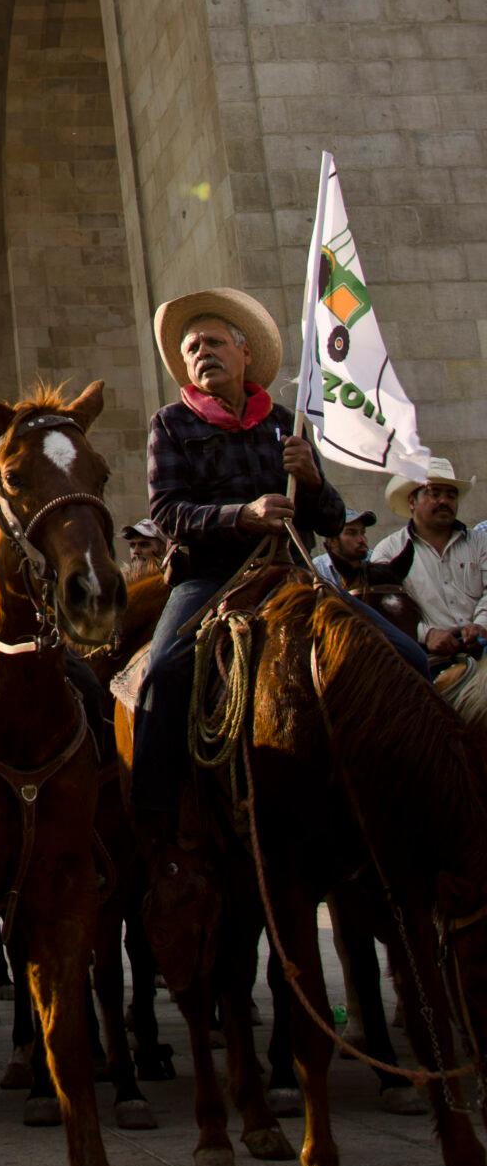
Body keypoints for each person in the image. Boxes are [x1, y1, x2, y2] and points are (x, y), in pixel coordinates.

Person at [131, 291, 421, 833]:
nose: (201, 353)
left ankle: (415, 800)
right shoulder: (171, 423)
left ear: (244, 354)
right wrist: (243, 515)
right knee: (164, 674)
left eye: (214, 342)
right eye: (192, 348)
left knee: (407, 657)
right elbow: (167, 512)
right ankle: (156, 823)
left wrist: (310, 478)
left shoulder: (286, 424)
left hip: (292, 574)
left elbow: (333, 521)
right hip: (212, 580)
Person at [372, 458, 487, 719]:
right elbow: (384, 612)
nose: (444, 501)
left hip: (481, 652)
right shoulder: (388, 551)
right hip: (424, 662)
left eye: (450, 495)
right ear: (412, 501)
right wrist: (427, 634)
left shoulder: (481, 543)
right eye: (434, 493)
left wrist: (481, 623)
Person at [313, 507, 378, 590]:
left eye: (362, 532)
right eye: (351, 533)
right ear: (332, 541)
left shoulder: (376, 559)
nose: (362, 540)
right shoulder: (318, 568)